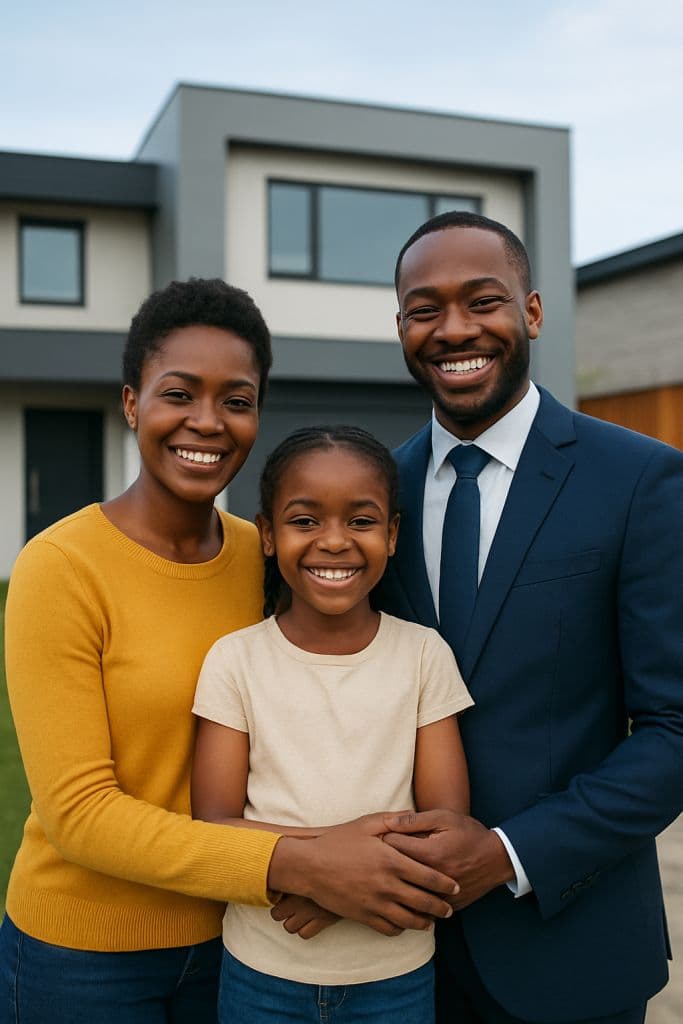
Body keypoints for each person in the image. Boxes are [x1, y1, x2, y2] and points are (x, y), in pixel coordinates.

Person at [0, 280, 459, 1024]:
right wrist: (308, 865)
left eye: (236, 401)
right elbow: (79, 814)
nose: (207, 422)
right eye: (179, 394)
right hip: (83, 960)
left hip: (240, 942)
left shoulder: (270, 557)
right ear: (130, 404)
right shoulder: (62, 566)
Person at [375, 211, 683, 1024]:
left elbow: (674, 728)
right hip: (396, 961)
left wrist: (511, 853)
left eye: (482, 301)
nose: (454, 329)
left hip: (572, 949)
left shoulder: (640, 481)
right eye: (423, 309)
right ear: (400, 326)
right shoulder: (374, 499)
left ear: (532, 313)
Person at [190, 425, 474, 1024]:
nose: (335, 541)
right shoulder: (235, 661)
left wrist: (337, 886)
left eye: (362, 521)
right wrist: (329, 873)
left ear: (392, 534)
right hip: (262, 974)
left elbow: (447, 825)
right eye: (305, 520)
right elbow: (213, 825)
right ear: (267, 535)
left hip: (394, 975)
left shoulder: (424, 656)